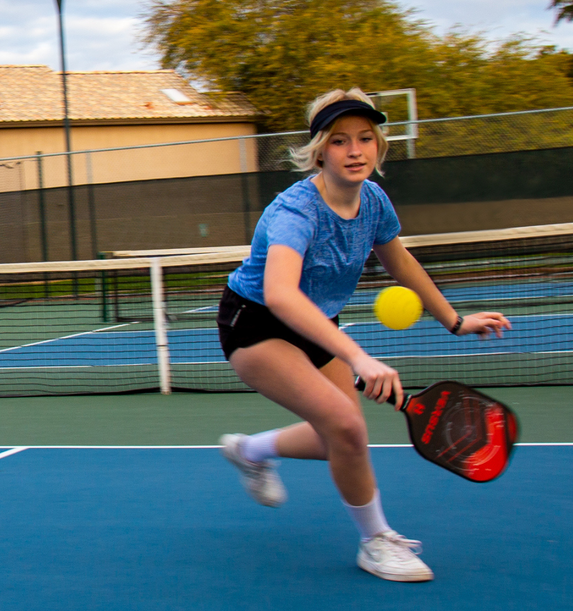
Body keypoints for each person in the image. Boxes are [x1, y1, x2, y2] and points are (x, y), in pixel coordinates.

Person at [216, 88, 510, 582]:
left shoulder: (373, 200)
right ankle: (375, 541)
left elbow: (399, 260)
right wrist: (360, 359)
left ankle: (249, 451)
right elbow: (283, 295)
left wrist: (456, 321)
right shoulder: (295, 211)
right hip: (256, 323)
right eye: (340, 141)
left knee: (341, 440)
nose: (355, 151)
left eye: (366, 139)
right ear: (319, 150)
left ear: (378, 146)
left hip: (316, 324)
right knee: (348, 429)